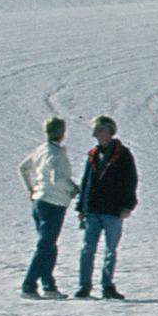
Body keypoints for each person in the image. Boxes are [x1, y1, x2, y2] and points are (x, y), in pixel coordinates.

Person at [75, 115, 139, 300]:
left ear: (109, 131)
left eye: (100, 130)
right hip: (93, 210)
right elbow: (86, 180)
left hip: (113, 210)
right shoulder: (93, 154)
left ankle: (107, 285)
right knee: (88, 249)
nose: (96, 134)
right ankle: (84, 286)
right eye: (96, 130)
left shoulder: (123, 154)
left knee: (110, 249)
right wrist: (81, 207)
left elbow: (130, 180)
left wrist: (128, 205)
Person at [18, 116, 76, 297]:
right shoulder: (56, 154)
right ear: (61, 133)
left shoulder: (41, 150)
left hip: (39, 200)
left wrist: (31, 188)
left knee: (48, 245)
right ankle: (29, 285)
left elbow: (23, 168)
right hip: (54, 203)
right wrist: (73, 188)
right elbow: (58, 179)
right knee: (46, 245)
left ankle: (49, 285)